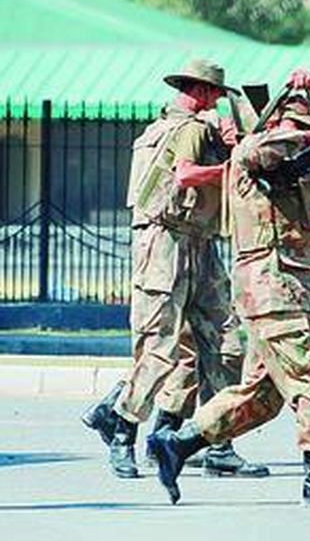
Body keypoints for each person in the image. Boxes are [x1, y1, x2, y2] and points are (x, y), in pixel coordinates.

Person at [146, 69, 310, 508]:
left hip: (291, 286)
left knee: (262, 396)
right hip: (273, 285)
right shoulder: (255, 150)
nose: (309, 136)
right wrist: (308, 138)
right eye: (298, 129)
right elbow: (260, 146)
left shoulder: (296, 162)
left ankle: (179, 443)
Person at [81, 59, 265, 480]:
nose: (220, 103)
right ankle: (122, 428)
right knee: (159, 347)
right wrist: (232, 166)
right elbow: (185, 175)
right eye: (217, 95)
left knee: (224, 343)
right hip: (165, 244)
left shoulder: (170, 128)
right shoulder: (191, 129)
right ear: (200, 92)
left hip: (196, 242)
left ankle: (217, 441)